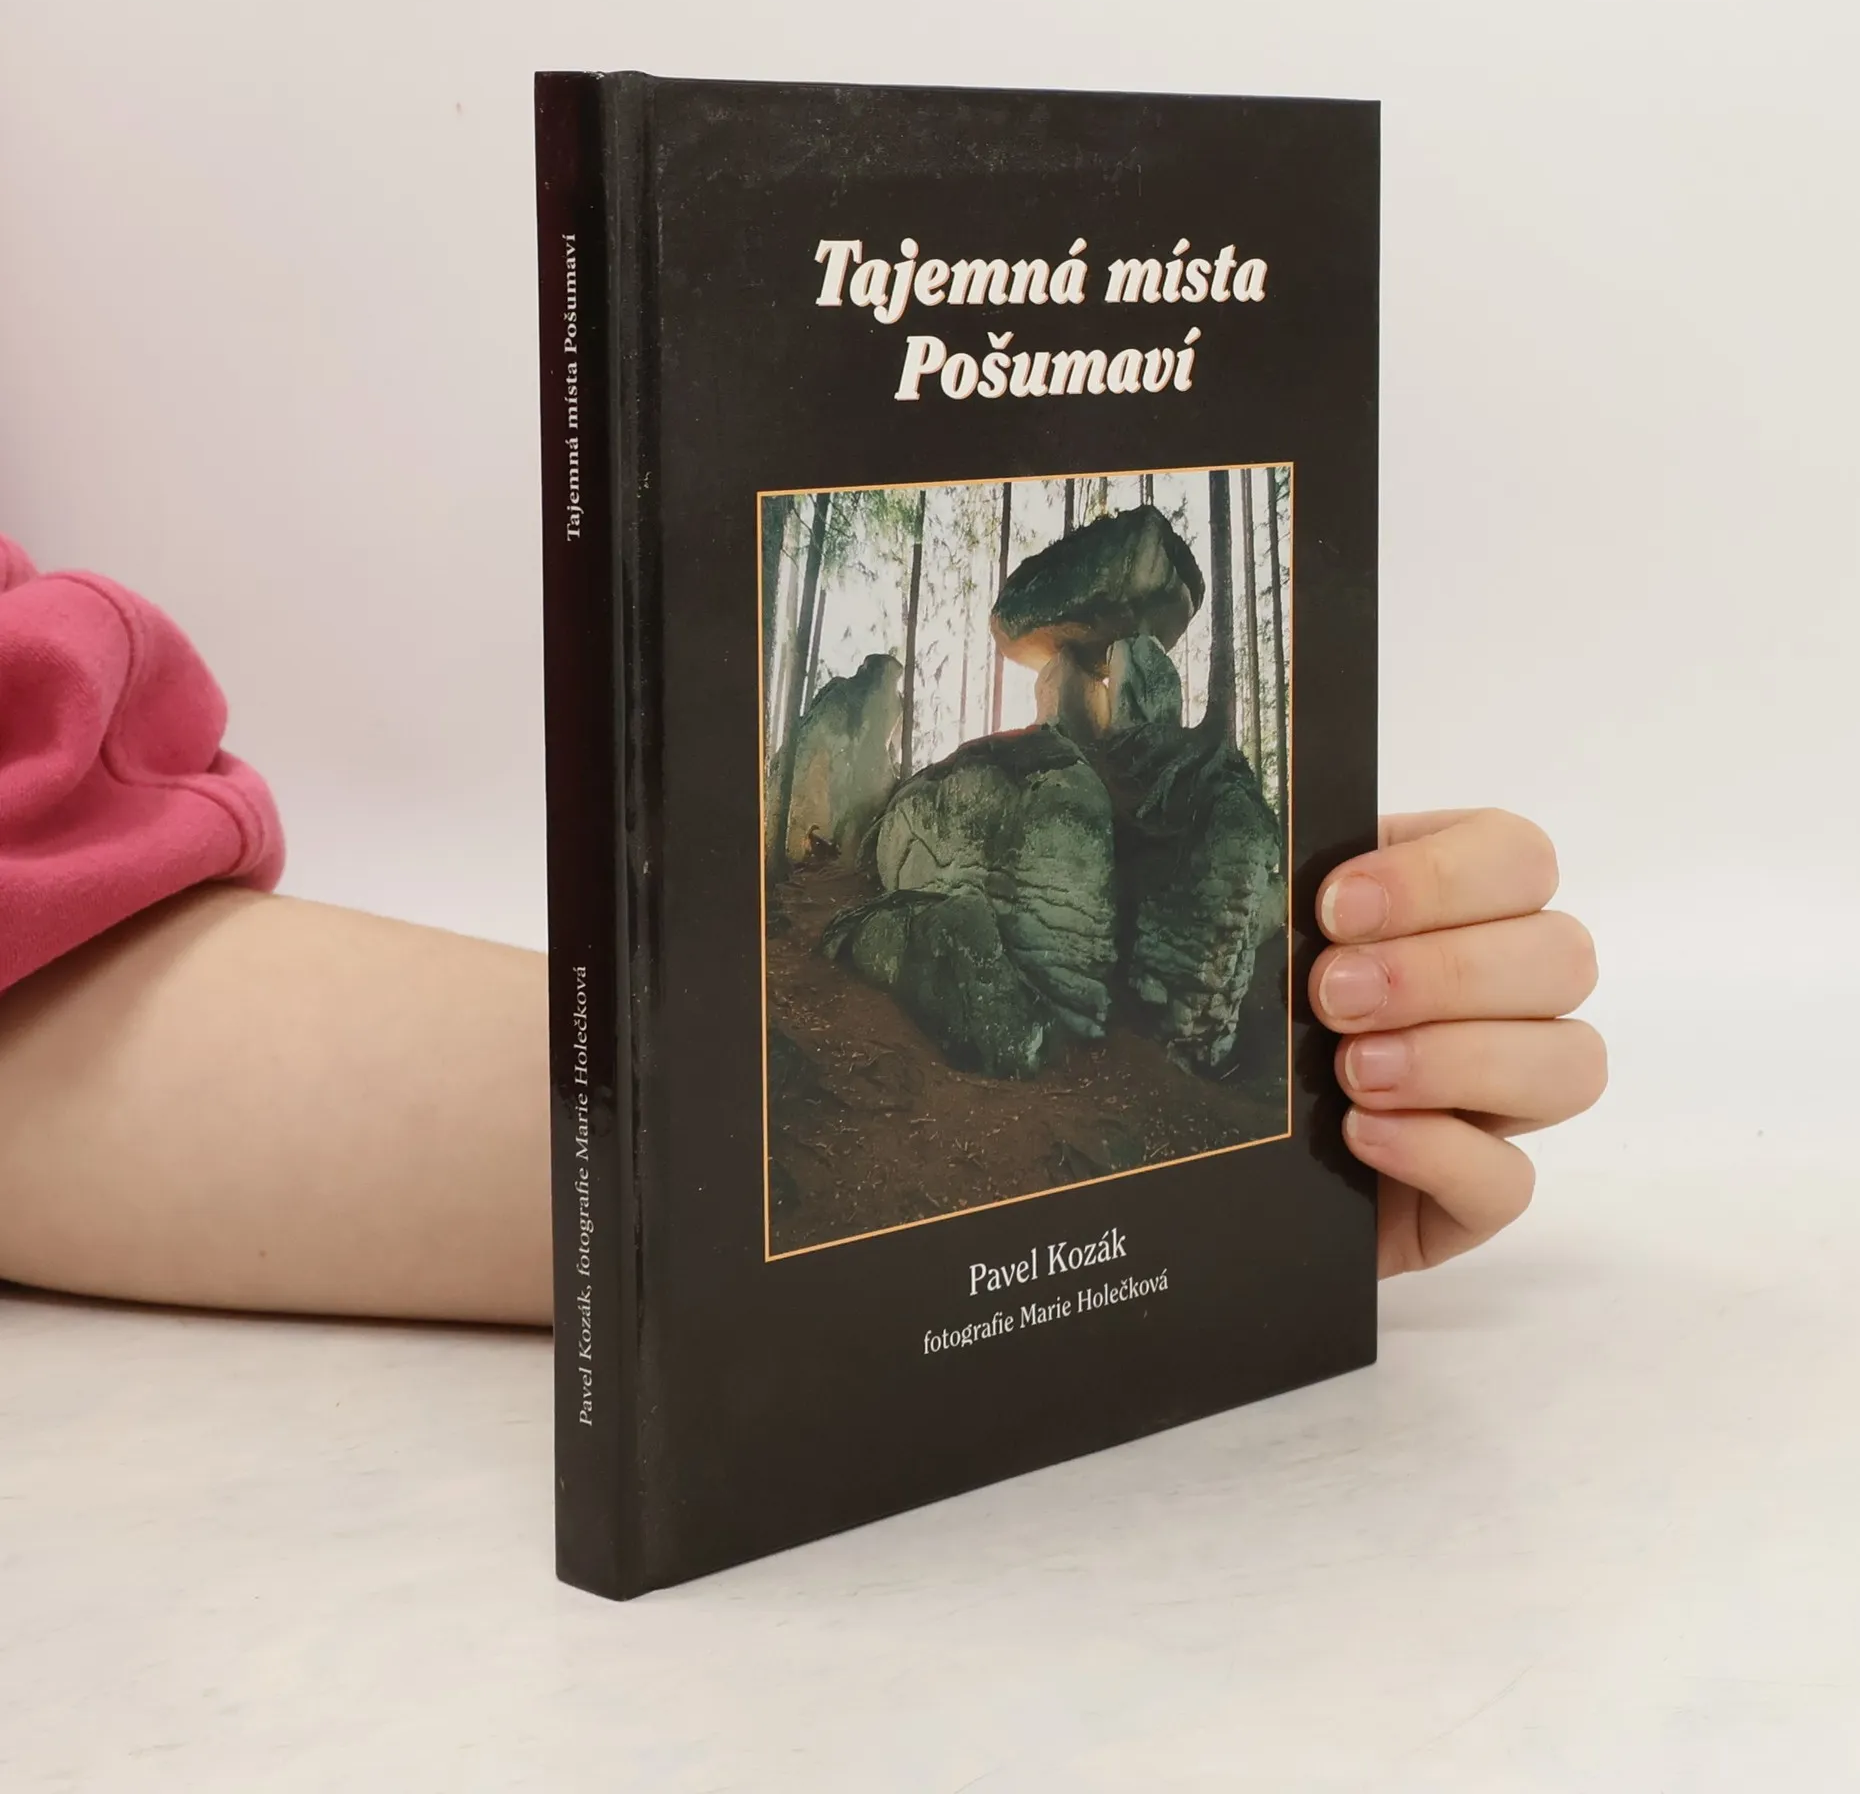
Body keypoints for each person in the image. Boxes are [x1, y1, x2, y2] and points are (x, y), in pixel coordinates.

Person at [0, 537, 1604, 1325]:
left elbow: (59, 975)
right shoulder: (1015, 784)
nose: (1094, 687)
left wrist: (1225, 1225)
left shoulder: (1162, 792)